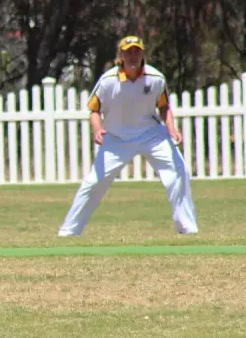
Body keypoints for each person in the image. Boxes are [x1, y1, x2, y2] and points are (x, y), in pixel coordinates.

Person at [57, 35, 199, 236]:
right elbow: (94, 110)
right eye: (128, 52)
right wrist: (98, 130)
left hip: (151, 134)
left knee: (179, 170)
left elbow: (164, 106)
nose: (133, 56)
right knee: (94, 182)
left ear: (143, 54)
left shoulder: (156, 78)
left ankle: (186, 227)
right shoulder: (108, 81)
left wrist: (171, 128)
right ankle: (69, 231)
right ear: (120, 56)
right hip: (116, 137)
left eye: (137, 51)